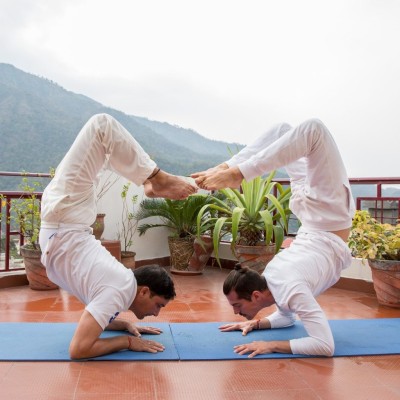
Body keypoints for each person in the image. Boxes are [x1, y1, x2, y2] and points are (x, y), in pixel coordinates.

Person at [192, 118, 355, 357]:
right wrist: (257, 324)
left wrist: (270, 345)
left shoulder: (285, 287)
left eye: (237, 305)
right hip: (318, 217)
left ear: (256, 295)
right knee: (293, 132)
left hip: (324, 216)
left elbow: (324, 346)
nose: (236, 313)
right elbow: (287, 318)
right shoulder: (276, 282)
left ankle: (234, 170)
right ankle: (233, 170)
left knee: (308, 130)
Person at [39, 113, 197, 359]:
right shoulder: (118, 289)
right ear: (144, 292)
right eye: (158, 305)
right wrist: (128, 342)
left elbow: (100, 308)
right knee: (102, 126)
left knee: (102, 148)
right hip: (66, 218)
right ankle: (156, 178)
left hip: (67, 220)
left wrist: (123, 324)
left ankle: (150, 180)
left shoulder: (121, 287)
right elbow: (79, 350)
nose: (157, 314)